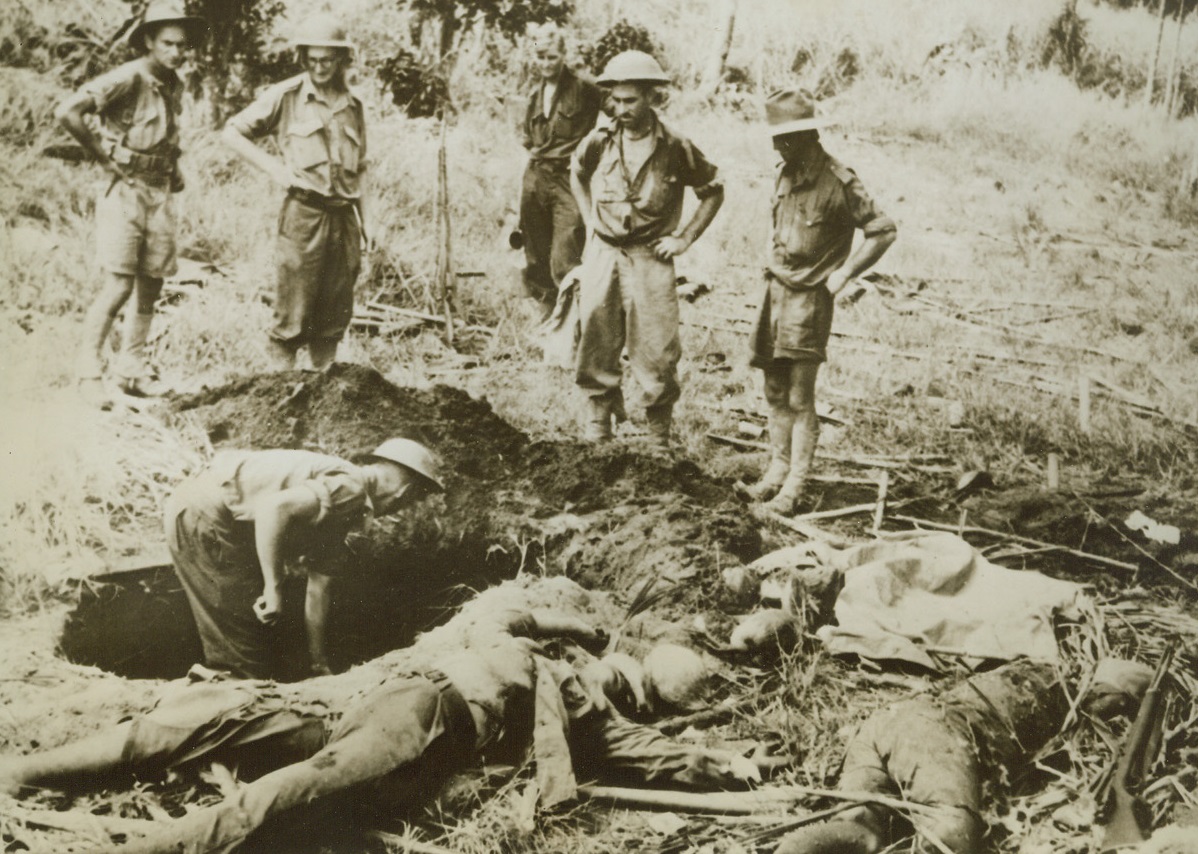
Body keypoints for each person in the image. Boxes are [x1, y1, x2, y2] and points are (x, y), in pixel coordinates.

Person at [0, 591, 765, 854]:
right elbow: (647, 753)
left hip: (382, 702)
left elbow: (644, 747)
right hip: (415, 717)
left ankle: (28, 776)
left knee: (211, 728)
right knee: (286, 787)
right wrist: (726, 766)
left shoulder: (531, 650)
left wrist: (721, 764)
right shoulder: (571, 682)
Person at [773, 657, 1154, 854]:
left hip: (887, 723)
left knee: (862, 823)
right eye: (1121, 701)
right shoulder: (1068, 692)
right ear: (1106, 689)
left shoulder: (1032, 670)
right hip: (938, 734)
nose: (1116, 711)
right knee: (951, 835)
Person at [166, 438, 445, 680]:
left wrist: (318, 664)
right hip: (207, 514)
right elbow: (272, 508)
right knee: (241, 660)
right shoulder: (350, 489)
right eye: (410, 501)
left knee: (247, 647)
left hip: (201, 509)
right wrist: (273, 588)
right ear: (404, 492)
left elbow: (318, 589)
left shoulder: (344, 508)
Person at [743, 90, 896, 514]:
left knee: (799, 396)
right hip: (774, 291)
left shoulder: (839, 181)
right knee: (773, 388)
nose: (777, 146)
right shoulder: (785, 171)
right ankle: (776, 471)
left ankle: (794, 486)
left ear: (806, 135)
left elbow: (883, 229)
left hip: (808, 299)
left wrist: (845, 273)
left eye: (784, 138)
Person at [56, 0, 207, 409]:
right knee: (119, 284)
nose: (176, 52)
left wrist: (172, 168)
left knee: (151, 283)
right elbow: (69, 111)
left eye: (182, 45)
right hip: (126, 190)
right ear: (148, 42)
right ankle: (89, 373)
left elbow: (162, 131)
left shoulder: (172, 82)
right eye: (167, 44)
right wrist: (104, 159)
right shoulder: (128, 77)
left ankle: (131, 369)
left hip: (159, 191)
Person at [570, 50, 724, 447]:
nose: (620, 109)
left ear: (652, 97)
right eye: (615, 101)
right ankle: (597, 429)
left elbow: (712, 191)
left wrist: (684, 238)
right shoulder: (600, 140)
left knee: (657, 350)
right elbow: (577, 174)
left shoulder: (675, 145)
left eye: (630, 100)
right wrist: (590, 224)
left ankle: (658, 437)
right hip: (604, 254)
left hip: (650, 259)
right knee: (596, 341)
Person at [221, 14, 370, 373]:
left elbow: (362, 170)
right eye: (312, 60)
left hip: (343, 219)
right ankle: (281, 396)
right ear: (304, 58)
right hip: (303, 217)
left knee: (333, 317)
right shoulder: (287, 96)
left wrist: (369, 224)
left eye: (327, 60)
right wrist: (275, 170)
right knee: (293, 312)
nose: (319, 68)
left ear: (341, 61)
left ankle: (323, 395)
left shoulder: (354, 106)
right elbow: (232, 132)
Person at [518, 24, 602, 319]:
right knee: (535, 253)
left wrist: (594, 152)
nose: (546, 63)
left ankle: (572, 321)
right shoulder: (532, 95)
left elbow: (618, 114)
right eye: (540, 56)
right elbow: (528, 138)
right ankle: (545, 316)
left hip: (569, 179)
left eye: (552, 57)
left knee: (566, 251)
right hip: (536, 176)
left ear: (563, 55)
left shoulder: (586, 88)